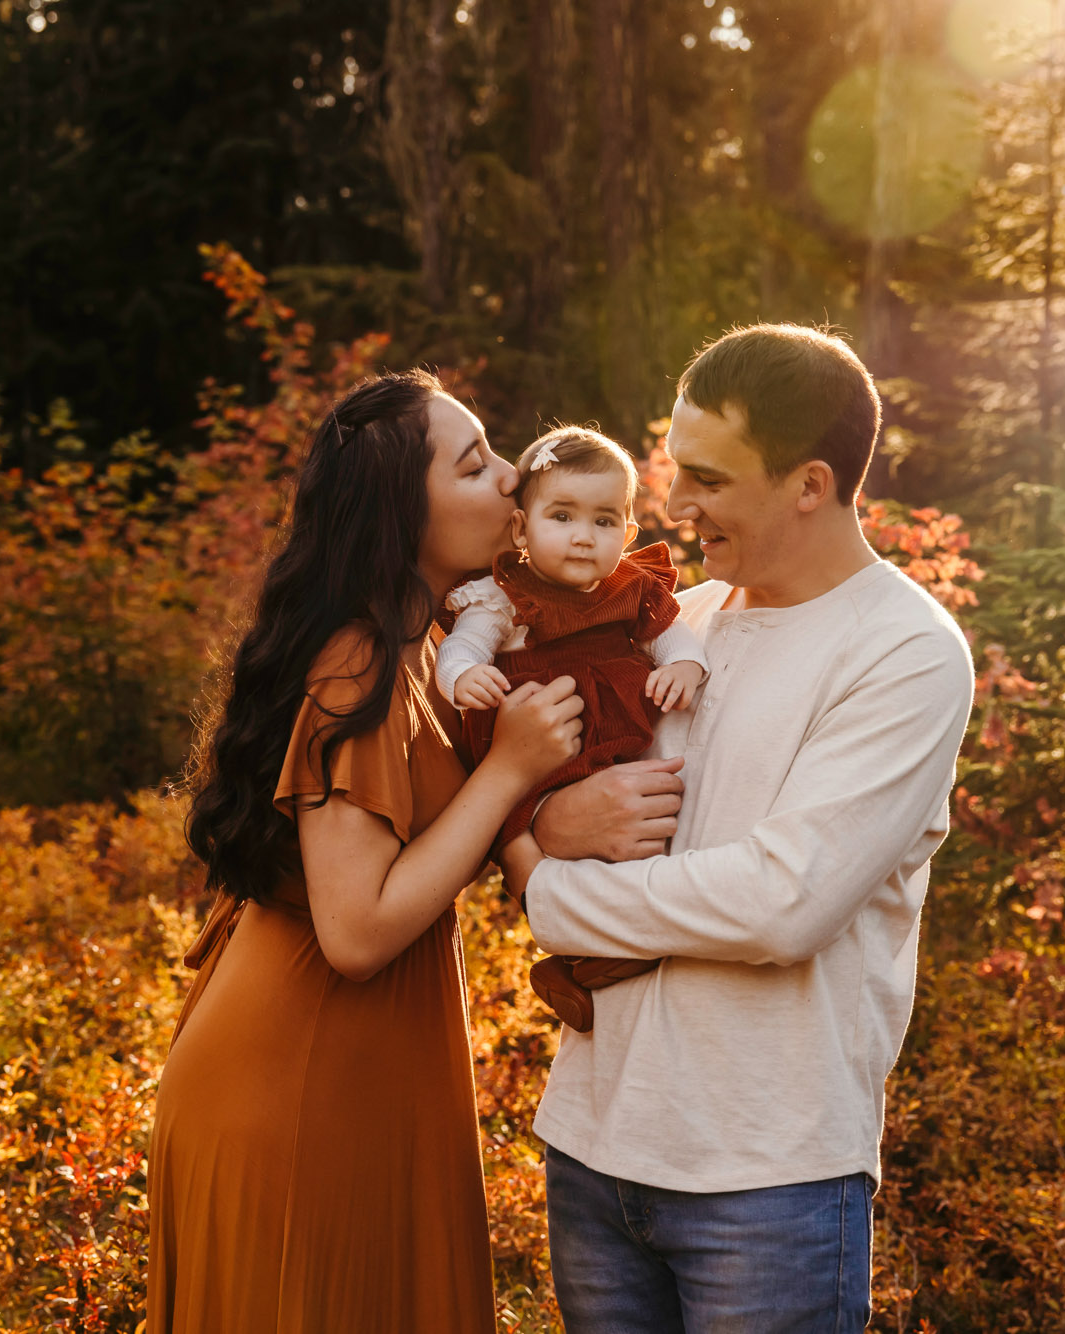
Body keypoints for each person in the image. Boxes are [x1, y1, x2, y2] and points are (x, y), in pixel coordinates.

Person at [500, 324, 978, 1333]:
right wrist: (548, 813)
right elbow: (543, 774)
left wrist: (545, 884)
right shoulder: (673, 624)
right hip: (591, 1146)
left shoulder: (904, 652)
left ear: (808, 483)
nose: (672, 508)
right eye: (675, 470)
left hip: (767, 1179)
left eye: (707, 479)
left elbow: (778, 903)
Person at [148, 368, 585, 1334]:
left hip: (344, 1076)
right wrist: (507, 773)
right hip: (292, 1098)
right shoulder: (361, 661)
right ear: (401, 514)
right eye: (475, 466)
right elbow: (354, 931)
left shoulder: (432, 648)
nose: (512, 477)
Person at [434, 425, 707, 1033]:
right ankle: (574, 954)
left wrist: (686, 665)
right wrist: (463, 678)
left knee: (632, 857)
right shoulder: (502, 600)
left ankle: (583, 967)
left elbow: (672, 636)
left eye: (605, 521)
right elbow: (460, 649)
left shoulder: (630, 590)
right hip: (539, 765)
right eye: (562, 516)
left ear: (629, 533)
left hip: (611, 756)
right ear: (520, 529)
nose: (584, 536)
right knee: (540, 859)